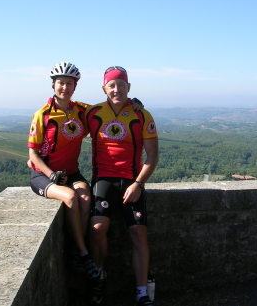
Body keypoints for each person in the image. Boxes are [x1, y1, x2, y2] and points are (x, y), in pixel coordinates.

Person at [87, 66, 159, 306]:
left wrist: (139, 183)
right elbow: (66, 126)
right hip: (103, 180)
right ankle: (99, 276)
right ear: (104, 88)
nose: (117, 89)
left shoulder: (141, 115)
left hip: (131, 180)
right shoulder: (93, 113)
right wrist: (37, 159)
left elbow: (152, 157)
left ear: (129, 87)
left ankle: (141, 292)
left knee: (139, 233)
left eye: (122, 84)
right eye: (112, 85)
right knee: (97, 228)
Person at [28, 62, 98, 278]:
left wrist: (130, 104)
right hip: (44, 174)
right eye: (61, 83)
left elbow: (105, 112)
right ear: (53, 85)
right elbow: (33, 155)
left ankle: (78, 246)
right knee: (70, 197)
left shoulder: (81, 111)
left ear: (75, 87)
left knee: (86, 197)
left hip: (72, 172)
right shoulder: (43, 115)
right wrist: (51, 175)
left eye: (69, 83)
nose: (65, 87)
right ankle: (83, 253)